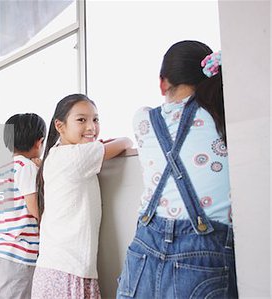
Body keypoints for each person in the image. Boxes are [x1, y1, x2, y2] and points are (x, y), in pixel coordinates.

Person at [116, 41, 238, 298]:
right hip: (205, 251)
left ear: (162, 83)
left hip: (145, 244)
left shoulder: (143, 119)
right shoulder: (223, 115)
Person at [32, 94, 133, 298]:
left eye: (95, 119)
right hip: (68, 271)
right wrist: (118, 140)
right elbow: (126, 142)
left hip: (54, 268)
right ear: (59, 126)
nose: (91, 127)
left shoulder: (57, 155)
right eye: (81, 120)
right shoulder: (74, 156)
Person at [0, 113, 46, 299]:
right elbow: (35, 209)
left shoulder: (2, 171)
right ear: (39, 142)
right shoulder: (27, 168)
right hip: (16, 256)